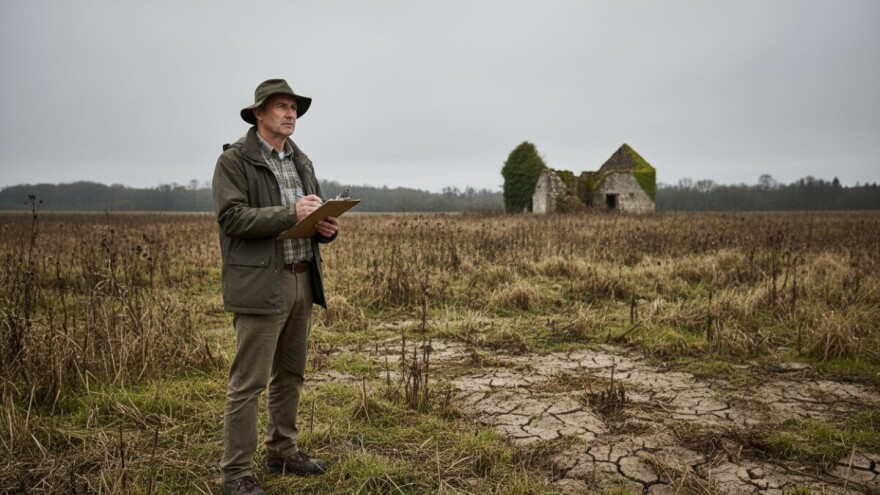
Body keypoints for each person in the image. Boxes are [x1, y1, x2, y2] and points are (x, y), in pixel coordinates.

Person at [212, 78, 339, 495]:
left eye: (295, 108)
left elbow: (309, 215)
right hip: (261, 284)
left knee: (291, 373)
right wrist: (289, 213)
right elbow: (232, 219)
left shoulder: (301, 161)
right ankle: (236, 475)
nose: (291, 113)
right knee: (248, 383)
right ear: (259, 114)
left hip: (303, 278)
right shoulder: (234, 162)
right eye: (282, 106)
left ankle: (282, 450)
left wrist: (325, 228)